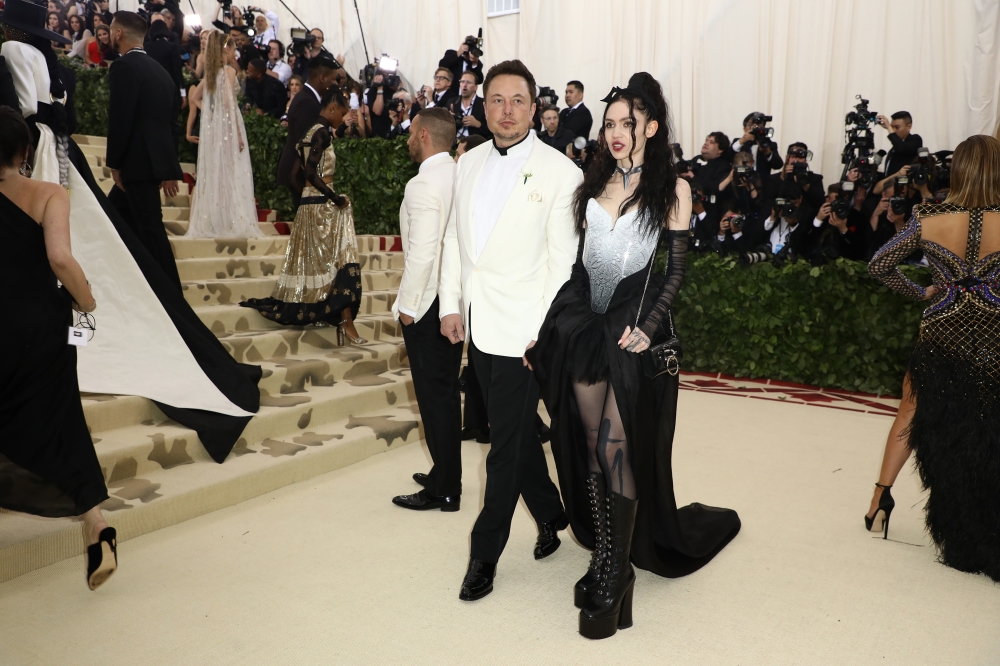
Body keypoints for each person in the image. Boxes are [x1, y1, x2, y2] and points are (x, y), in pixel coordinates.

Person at [528, 73, 741, 640]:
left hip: (632, 333)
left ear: (650, 127)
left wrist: (647, 327)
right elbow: (575, 267)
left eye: (628, 123)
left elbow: (674, 272)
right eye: (610, 123)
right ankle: (607, 560)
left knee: (616, 445)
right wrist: (546, 328)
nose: (616, 132)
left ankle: (616, 571)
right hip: (586, 328)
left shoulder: (673, 190)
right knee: (593, 444)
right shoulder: (588, 188)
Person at [438, 59, 582, 602]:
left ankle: (484, 556)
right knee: (515, 436)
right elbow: (456, 242)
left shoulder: (560, 173)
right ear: (482, 104)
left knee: (501, 447)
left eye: (517, 100)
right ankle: (550, 515)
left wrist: (541, 335)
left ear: (534, 106)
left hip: (525, 333)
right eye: (496, 100)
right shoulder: (467, 164)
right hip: (477, 324)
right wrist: (451, 304)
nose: (506, 111)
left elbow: (561, 264)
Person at [868, 134, 1000, 580]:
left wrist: (923, 290)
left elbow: (880, 264)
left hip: (942, 334)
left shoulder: (930, 216)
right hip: (995, 337)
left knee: (911, 410)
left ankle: (879, 500)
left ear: (958, 170)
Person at [0, 107, 118, 591]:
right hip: (41, 330)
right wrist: (87, 300)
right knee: (61, 422)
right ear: (25, 151)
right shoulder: (48, 193)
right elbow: (59, 258)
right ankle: (96, 523)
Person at [241, 87, 366, 344]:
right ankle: (346, 321)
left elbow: (295, 176)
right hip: (323, 204)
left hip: (309, 205)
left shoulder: (311, 132)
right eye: (341, 114)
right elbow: (310, 173)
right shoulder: (319, 133)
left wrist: (308, 199)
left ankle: (324, 313)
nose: (342, 119)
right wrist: (334, 198)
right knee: (340, 261)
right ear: (332, 109)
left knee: (317, 264)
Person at [390, 108, 464, 511]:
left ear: (422, 135)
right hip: (455, 302)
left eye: (409, 132)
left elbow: (421, 255)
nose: (406, 138)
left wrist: (406, 307)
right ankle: (444, 472)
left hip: (430, 305)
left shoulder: (422, 185)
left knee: (435, 400)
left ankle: (444, 489)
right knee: (447, 395)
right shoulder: (460, 175)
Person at [105, 11, 184, 287]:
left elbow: (120, 119)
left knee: (150, 230)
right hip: (152, 163)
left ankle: (171, 297)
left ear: (118, 34)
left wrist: (115, 163)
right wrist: (170, 168)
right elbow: (171, 126)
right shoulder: (162, 73)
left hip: (136, 165)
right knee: (110, 217)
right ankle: (124, 282)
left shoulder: (124, 67)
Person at [185, 32, 260, 239]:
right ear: (226, 49)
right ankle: (228, 220)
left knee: (216, 171)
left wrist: (211, 114)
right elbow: (228, 102)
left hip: (215, 129)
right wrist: (236, 132)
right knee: (230, 172)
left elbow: (196, 98)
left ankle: (218, 219)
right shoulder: (227, 71)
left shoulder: (212, 72)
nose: (235, 54)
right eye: (234, 49)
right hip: (227, 128)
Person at [277, 54, 340, 209]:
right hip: (298, 179)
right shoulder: (306, 102)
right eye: (333, 79)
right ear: (323, 77)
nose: (334, 84)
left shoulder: (309, 98)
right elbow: (304, 145)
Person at [447, 69, 490, 141]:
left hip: (475, 145)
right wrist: (448, 119)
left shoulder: (483, 103)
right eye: (462, 82)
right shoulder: (452, 102)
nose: (464, 85)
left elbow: (492, 130)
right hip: (454, 145)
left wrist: (478, 124)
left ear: (476, 87)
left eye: (469, 82)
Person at [878, 111, 922, 179]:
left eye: (897, 127)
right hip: (890, 187)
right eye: (892, 127)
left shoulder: (915, 140)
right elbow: (889, 174)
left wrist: (889, 127)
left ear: (909, 127)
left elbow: (902, 148)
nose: (894, 130)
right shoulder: (894, 148)